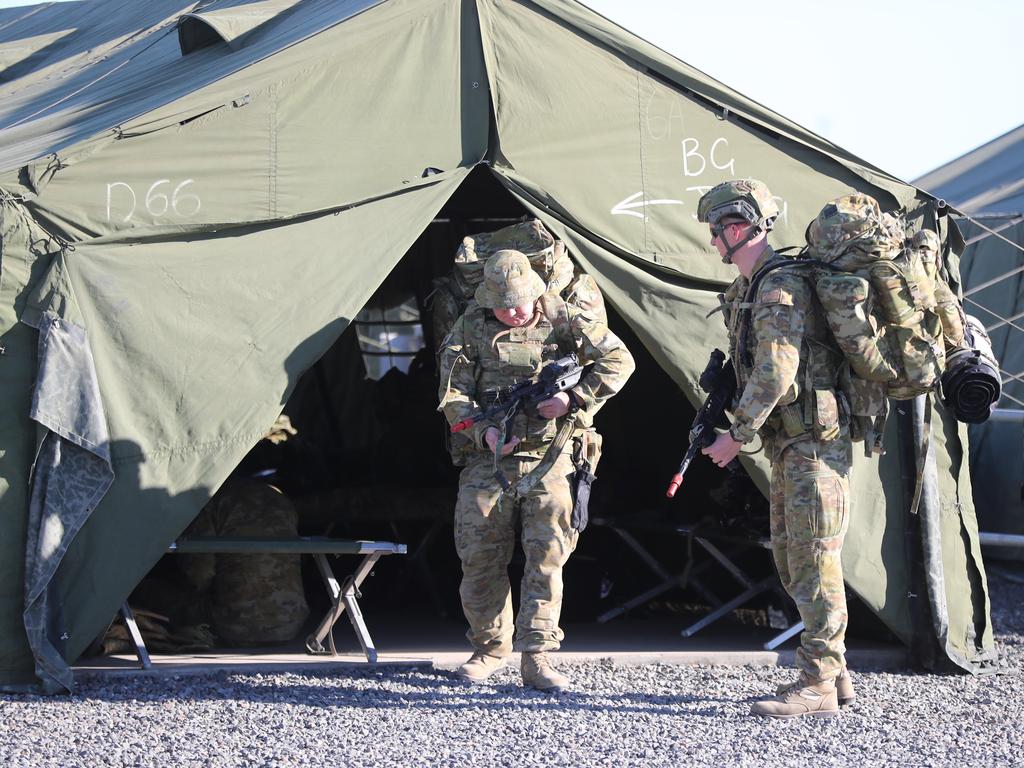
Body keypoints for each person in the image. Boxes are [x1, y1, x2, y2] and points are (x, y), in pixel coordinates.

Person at [438, 249, 634, 691]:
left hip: (554, 455)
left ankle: (538, 656)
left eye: (520, 303)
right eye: (503, 305)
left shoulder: (565, 318)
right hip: (489, 462)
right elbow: (453, 396)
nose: (513, 312)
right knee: (479, 555)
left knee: (547, 558)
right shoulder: (470, 327)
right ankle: (489, 649)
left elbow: (620, 361)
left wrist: (574, 398)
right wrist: (485, 432)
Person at [696, 180, 854, 718]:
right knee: (796, 558)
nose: (714, 242)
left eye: (717, 231)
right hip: (792, 442)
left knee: (813, 559)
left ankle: (817, 682)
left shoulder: (776, 286)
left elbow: (776, 371)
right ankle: (834, 672)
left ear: (736, 228)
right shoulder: (749, 288)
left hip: (812, 442)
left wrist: (734, 436)